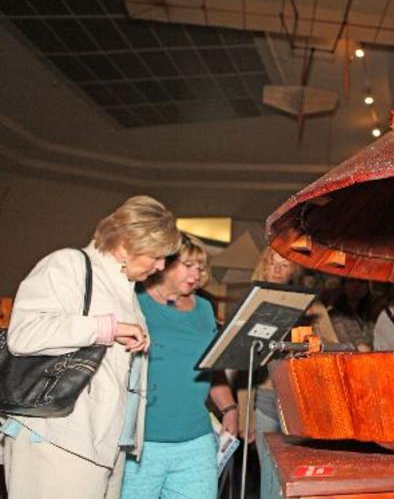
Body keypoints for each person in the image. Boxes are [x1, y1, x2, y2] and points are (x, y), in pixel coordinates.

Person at [0, 195, 180, 498]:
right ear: (125, 244)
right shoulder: (68, 264)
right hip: (57, 436)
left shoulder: (125, 288)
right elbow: (24, 335)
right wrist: (106, 328)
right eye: (156, 255)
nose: (161, 266)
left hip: (103, 441)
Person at [121, 234, 239, 498]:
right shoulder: (134, 300)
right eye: (188, 266)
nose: (196, 274)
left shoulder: (205, 308)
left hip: (196, 441)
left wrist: (229, 409)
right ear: (164, 264)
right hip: (142, 443)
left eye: (200, 268)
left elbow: (211, 365)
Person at [248, 247, 338, 499]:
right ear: (263, 266)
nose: (277, 270)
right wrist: (244, 415)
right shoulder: (253, 302)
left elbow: (332, 345)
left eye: (285, 265)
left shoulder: (310, 302)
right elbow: (242, 364)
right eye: (272, 263)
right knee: (268, 473)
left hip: (300, 398)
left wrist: (307, 343)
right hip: (265, 396)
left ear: (294, 271)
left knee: (298, 472)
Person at [328, 279, 380, 352]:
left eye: (362, 282)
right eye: (351, 281)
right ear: (343, 285)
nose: (356, 286)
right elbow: (342, 342)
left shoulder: (368, 313)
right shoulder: (335, 315)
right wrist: (358, 347)